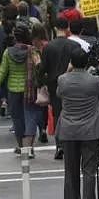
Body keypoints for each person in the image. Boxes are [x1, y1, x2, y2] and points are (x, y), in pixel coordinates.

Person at [58, 48, 99, 199]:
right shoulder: (94, 81)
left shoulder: (63, 80)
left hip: (69, 131)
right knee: (89, 171)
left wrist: (67, 71)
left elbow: (58, 93)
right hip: (90, 131)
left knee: (71, 172)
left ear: (71, 63)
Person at [0, 25, 44, 156]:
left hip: (13, 90)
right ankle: (29, 147)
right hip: (30, 89)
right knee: (31, 117)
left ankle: (21, 147)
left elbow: (2, 72)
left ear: (15, 37)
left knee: (17, 119)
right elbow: (40, 68)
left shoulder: (8, 52)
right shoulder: (33, 51)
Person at [41, 17, 81, 160]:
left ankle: (60, 145)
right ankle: (73, 142)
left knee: (58, 114)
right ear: (68, 28)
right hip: (72, 82)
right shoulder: (74, 46)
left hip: (54, 84)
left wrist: (41, 83)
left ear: (55, 28)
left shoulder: (48, 46)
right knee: (73, 112)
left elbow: (43, 68)